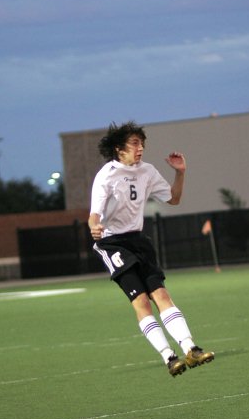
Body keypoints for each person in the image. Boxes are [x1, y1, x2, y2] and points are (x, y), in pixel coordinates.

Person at [88, 120, 214, 377]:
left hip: (138, 241)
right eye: (135, 143)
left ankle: (191, 348)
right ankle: (169, 357)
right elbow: (94, 215)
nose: (140, 147)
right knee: (142, 301)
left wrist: (180, 172)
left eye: (142, 143)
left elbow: (174, 199)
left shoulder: (147, 171)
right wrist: (94, 226)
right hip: (112, 244)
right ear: (118, 148)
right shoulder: (107, 174)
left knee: (162, 296)